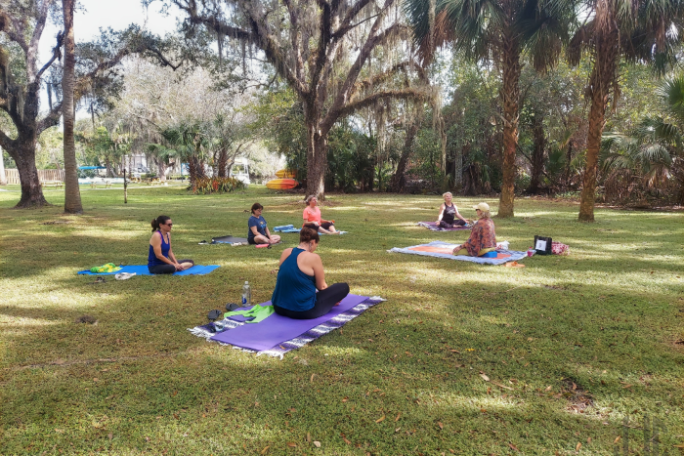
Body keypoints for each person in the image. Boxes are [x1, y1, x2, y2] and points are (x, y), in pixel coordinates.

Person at [271, 228, 350, 319]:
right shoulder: (313, 257)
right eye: (316, 246)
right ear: (312, 242)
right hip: (303, 311)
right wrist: (333, 298)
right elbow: (322, 287)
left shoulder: (286, 252)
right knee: (343, 287)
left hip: (278, 307)